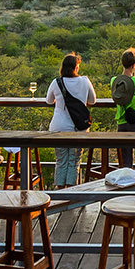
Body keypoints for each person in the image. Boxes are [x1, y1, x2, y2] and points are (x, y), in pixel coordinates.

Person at [46, 53, 95, 189]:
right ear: (76, 67)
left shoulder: (57, 82)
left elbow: (49, 101)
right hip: (78, 127)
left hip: (59, 127)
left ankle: (60, 190)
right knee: (74, 161)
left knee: (61, 160)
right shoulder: (85, 81)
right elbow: (92, 100)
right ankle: (72, 191)